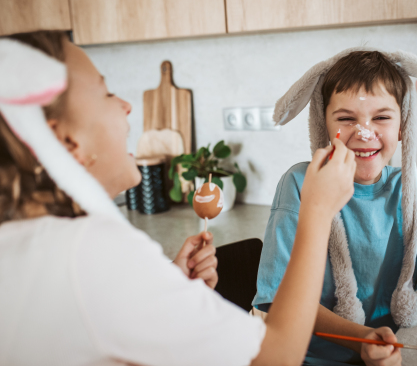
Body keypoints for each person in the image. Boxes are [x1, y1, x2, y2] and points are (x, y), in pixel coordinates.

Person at [0, 32, 357, 366]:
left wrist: (163, 287)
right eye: (106, 93)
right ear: (63, 142)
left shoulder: (25, 242)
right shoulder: (93, 252)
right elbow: (275, 357)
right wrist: (317, 210)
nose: (125, 105)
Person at [252, 50, 417, 365]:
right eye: (346, 119)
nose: (364, 132)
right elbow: (278, 302)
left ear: (401, 126)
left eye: (381, 117)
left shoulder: (414, 190)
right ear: (324, 126)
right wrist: (360, 340)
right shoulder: (301, 185)